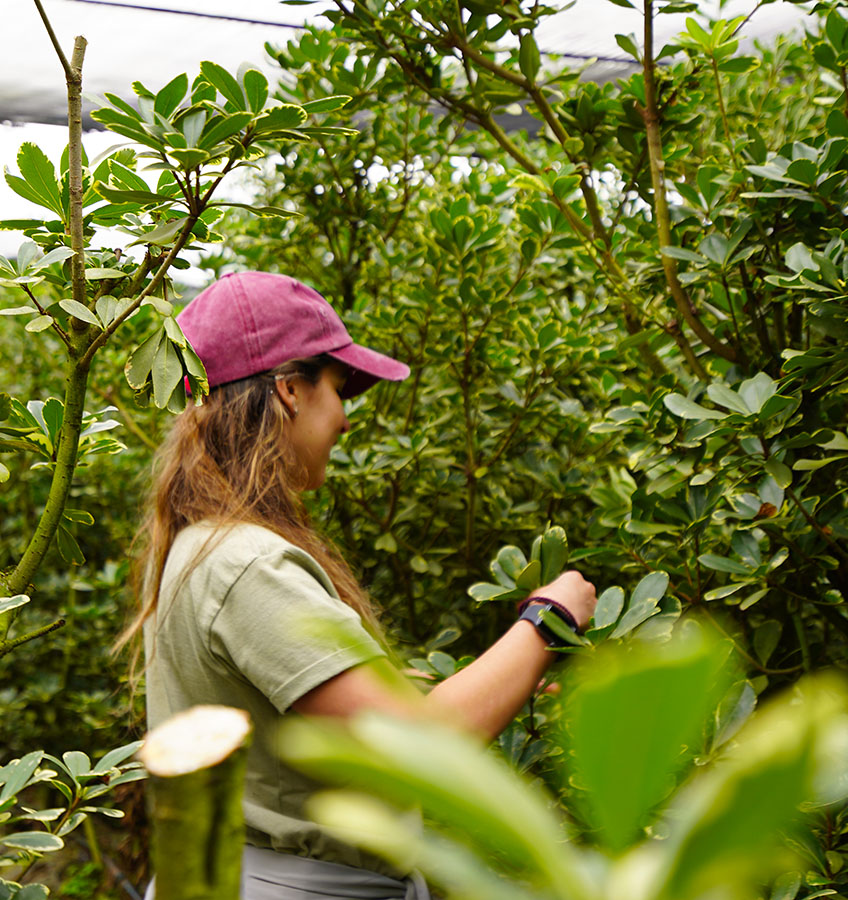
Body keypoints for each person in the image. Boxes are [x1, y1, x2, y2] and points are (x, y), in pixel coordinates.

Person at [120, 271, 597, 900]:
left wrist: (395, 687)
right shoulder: (247, 565)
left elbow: (274, 713)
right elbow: (421, 749)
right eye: (338, 389)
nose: (344, 419)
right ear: (290, 390)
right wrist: (549, 618)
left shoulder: (199, 541)